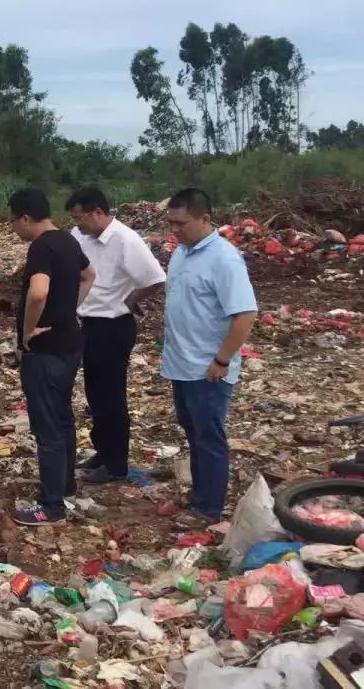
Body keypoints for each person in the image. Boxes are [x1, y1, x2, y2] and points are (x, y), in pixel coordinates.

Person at [162, 188, 256, 528]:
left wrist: (222, 359)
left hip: (208, 368)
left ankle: (208, 508)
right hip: (181, 363)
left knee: (208, 436)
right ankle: (201, 494)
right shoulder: (181, 253)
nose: (175, 229)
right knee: (194, 432)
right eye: (170, 222)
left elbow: (244, 314)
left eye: (181, 223)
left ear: (205, 219)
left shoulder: (224, 258)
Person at [8, 188, 96, 526]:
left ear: (26, 218)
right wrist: (69, 308)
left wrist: (28, 331)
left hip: (45, 351)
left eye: (14, 222)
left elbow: (38, 292)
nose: (14, 228)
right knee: (62, 417)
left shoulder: (41, 246)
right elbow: (89, 275)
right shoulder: (68, 240)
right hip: (71, 343)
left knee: (47, 427)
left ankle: (51, 506)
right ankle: (66, 485)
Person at [67, 185, 166, 484]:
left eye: (81, 217)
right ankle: (103, 451)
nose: (78, 224)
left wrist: (130, 300)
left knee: (112, 397)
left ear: (98, 212)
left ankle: (116, 465)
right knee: (95, 395)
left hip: (113, 326)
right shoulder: (79, 236)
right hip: (89, 324)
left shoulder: (126, 239)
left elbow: (155, 278)